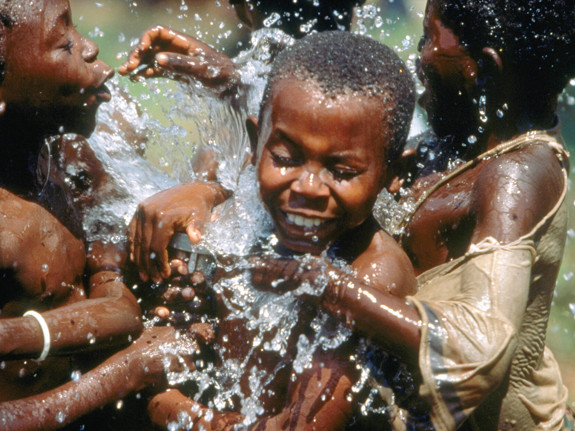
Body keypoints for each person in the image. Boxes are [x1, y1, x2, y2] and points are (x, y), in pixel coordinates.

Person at [254, 0, 575, 429]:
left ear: (481, 67)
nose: (419, 57)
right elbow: (314, 147)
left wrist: (325, 284)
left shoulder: (516, 176)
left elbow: (479, 349)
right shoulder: (454, 146)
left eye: (429, 37)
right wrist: (232, 87)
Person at [142, 30, 418, 430]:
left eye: (341, 172)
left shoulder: (373, 276)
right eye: (287, 157)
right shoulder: (248, 223)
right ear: (257, 146)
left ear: (393, 175)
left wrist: (158, 400)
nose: (307, 187)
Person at [0, 1, 202, 429]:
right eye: (64, 43)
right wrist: (123, 374)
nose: (91, 49)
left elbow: (119, 305)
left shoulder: (67, 157)